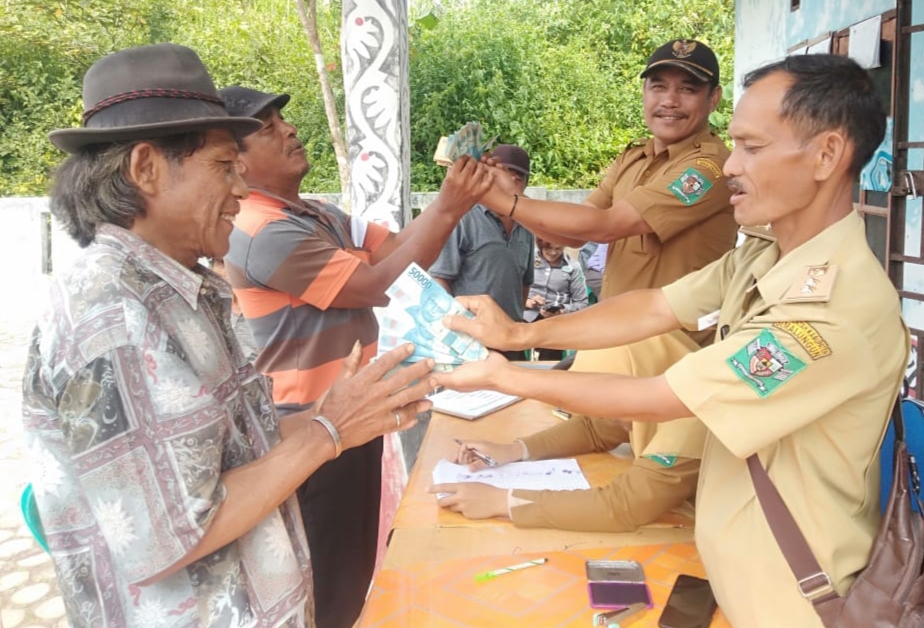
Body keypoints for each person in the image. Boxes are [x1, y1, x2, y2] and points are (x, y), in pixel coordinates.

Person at [432, 54, 908, 627]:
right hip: (729, 578)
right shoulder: (762, 256)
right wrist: (519, 333)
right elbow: (655, 305)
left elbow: (665, 397)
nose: (730, 165)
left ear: (827, 155)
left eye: (752, 148)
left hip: (790, 602)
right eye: (734, 144)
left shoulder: (834, 311)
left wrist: (503, 371)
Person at [22, 43, 437, 628]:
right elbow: (174, 532)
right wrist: (328, 430)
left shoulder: (184, 287)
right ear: (146, 169)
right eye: (223, 166)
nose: (242, 192)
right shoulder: (112, 316)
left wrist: (348, 411)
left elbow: (232, 444)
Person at [219, 85, 491, 628]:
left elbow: (401, 250)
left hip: (349, 417)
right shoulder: (260, 230)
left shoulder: (315, 214)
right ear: (235, 160)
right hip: (308, 429)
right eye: (268, 128)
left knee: (350, 565)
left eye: (283, 121)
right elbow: (373, 284)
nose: (290, 130)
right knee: (327, 579)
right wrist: (448, 204)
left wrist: (445, 206)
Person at [430, 144, 535, 361]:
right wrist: (456, 332)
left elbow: (525, 282)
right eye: (506, 174)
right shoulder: (464, 219)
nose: (512, 182)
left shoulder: (528, 225)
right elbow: (440, 279)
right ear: (488, 177)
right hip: (471, 342)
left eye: (519, 177)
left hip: (512, 339)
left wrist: (515, 323)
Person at [524, 238, 588, 361]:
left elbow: (582, 303)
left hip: (556, 320)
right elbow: (511, 290)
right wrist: (526, 302)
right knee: (514, 339)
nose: (553, 252)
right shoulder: (528, 260)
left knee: (552, 343)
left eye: (558, 249)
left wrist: (563, 310)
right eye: (549, 248)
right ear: (541, 245)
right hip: (527, 315)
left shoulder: (573, 267)